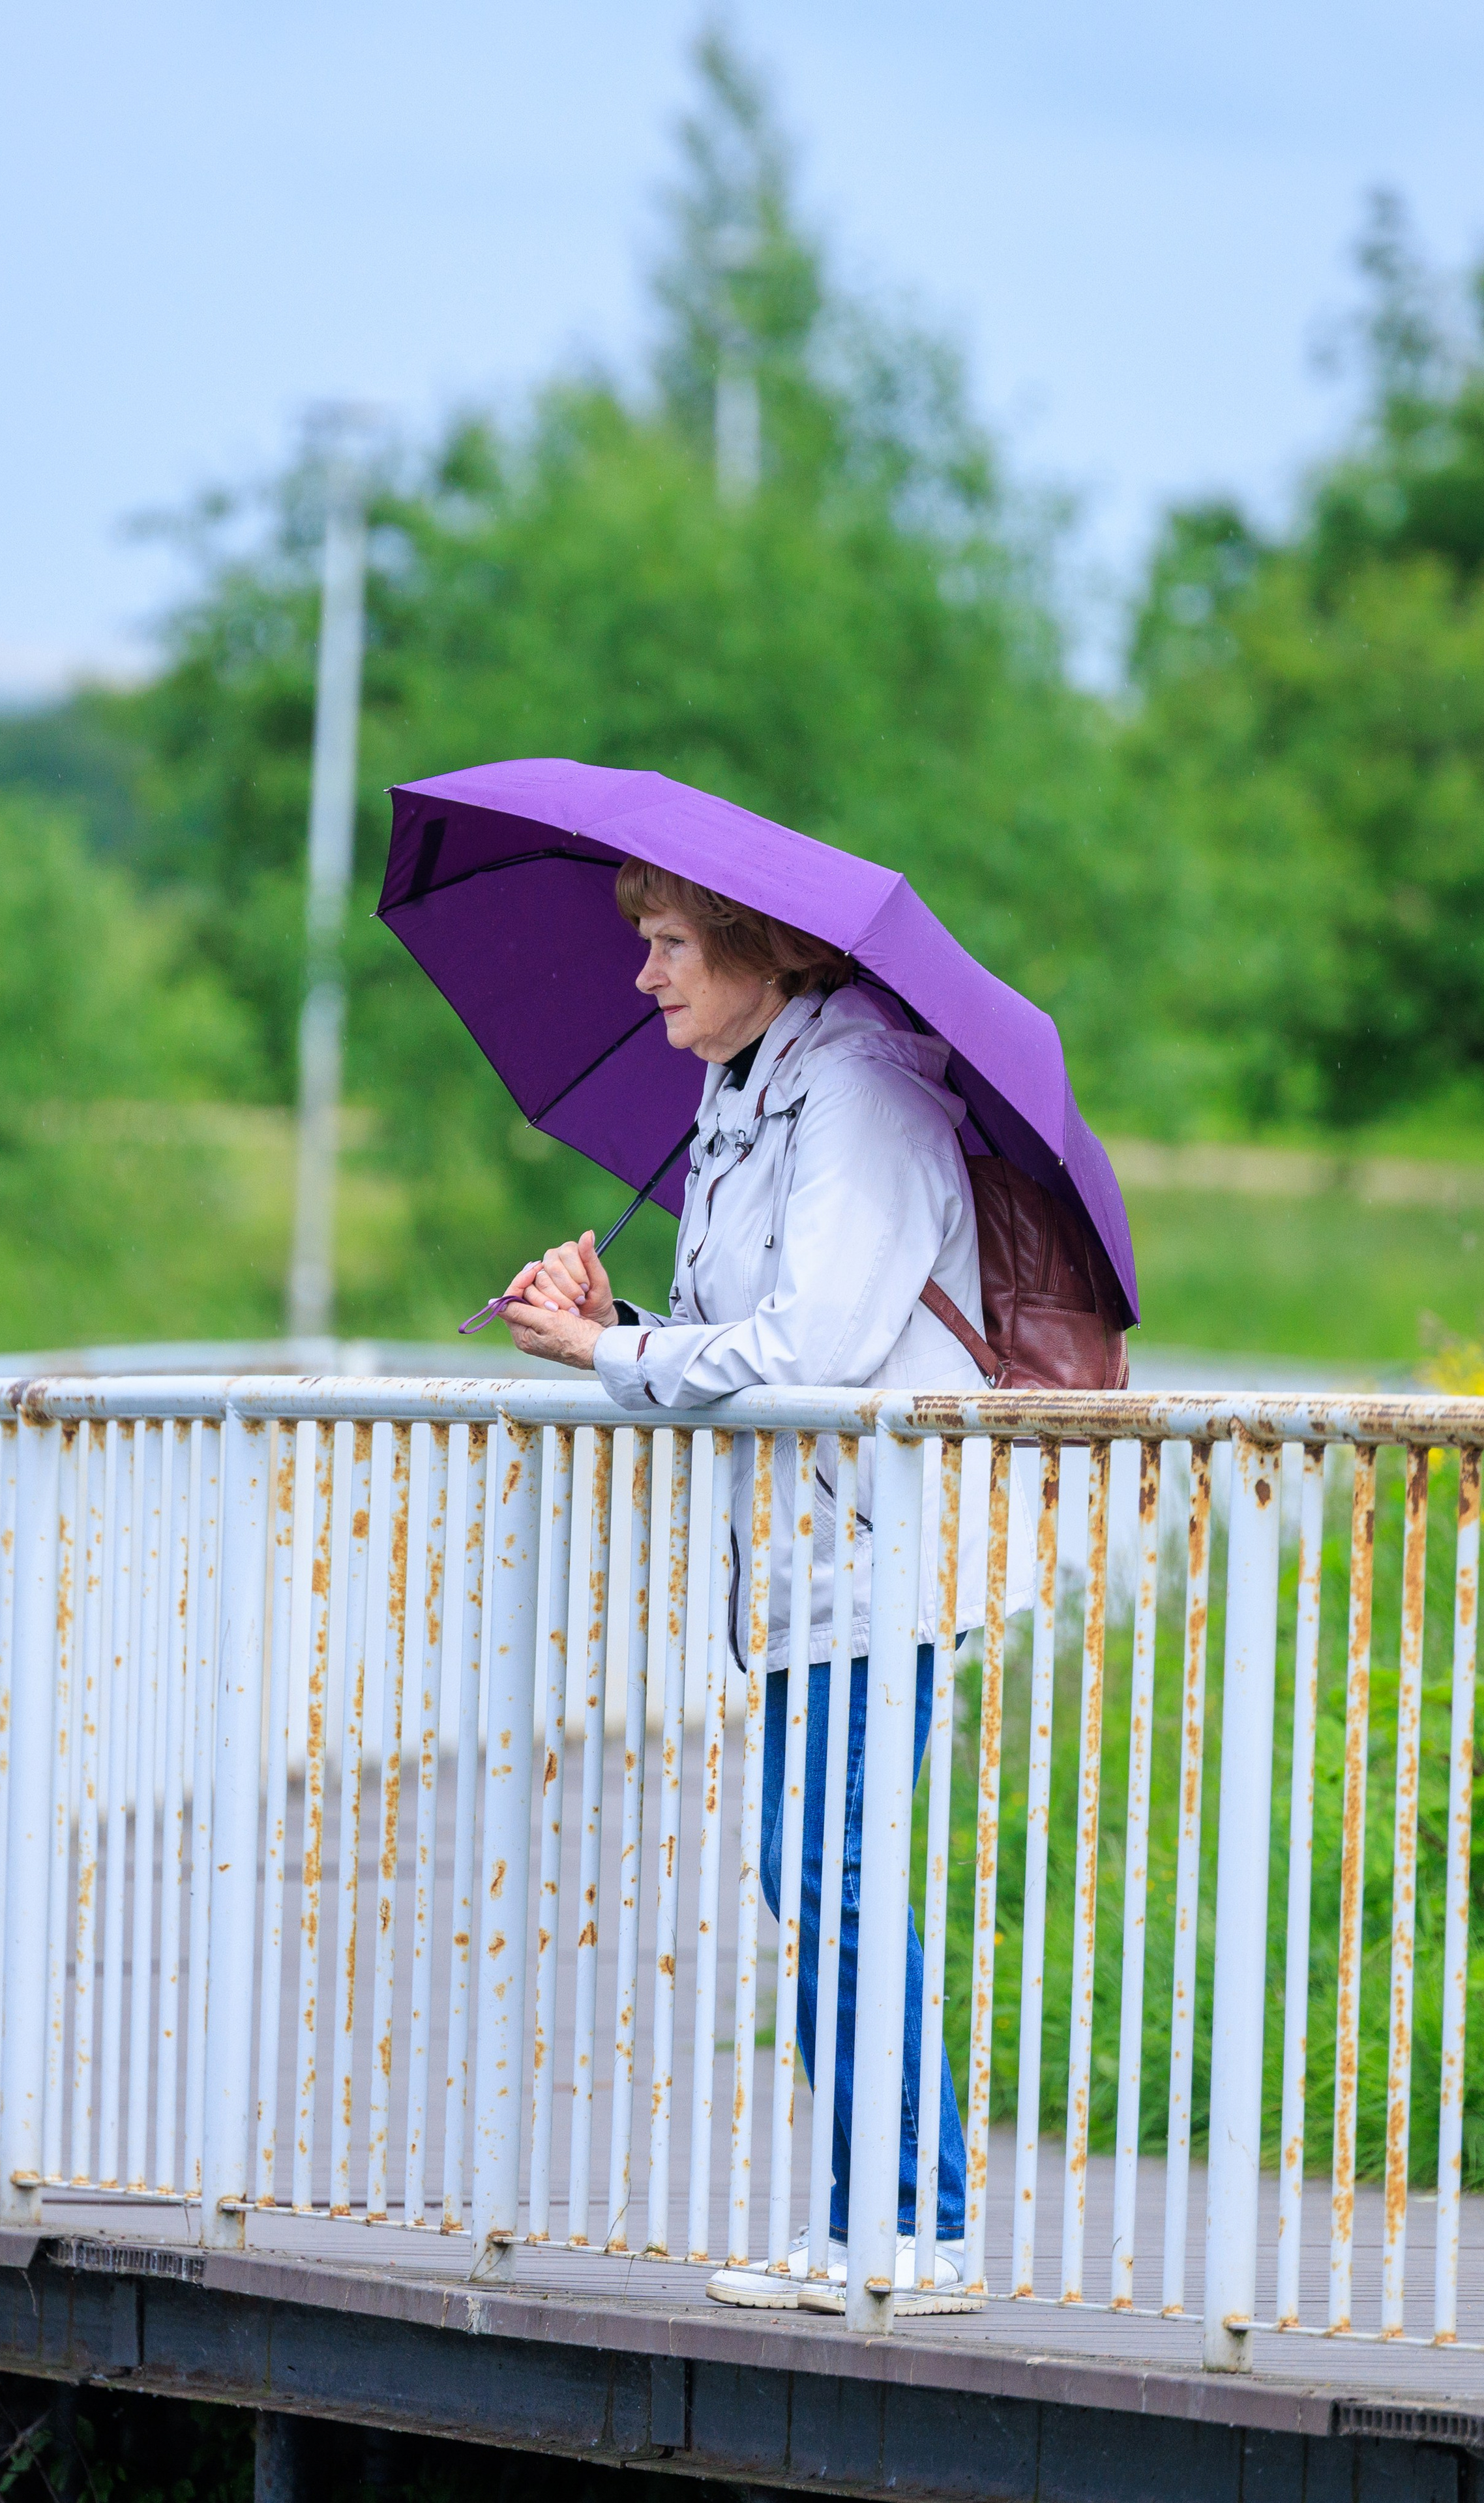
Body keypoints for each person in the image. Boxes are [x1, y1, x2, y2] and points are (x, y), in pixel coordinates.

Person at [498, 860, 1027, 2308]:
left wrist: (606, 1358)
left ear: (761, 947)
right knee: (816, 1876)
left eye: (668, 943)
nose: (643, 975)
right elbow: (751, 1336)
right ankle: (866, 2221)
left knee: (841, 1875)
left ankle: (911, 2228)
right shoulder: (745, 1097)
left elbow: (820, 1351)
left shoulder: (857, 1092)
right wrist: (624, 1320)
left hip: (878, 1548)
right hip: (804, 1562)